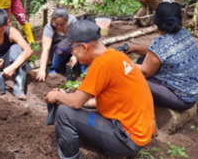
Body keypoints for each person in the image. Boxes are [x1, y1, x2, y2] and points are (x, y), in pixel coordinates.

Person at [45, 20, 155, 159]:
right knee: (74, 108)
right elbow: (100, 100)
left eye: (73, 49)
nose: (73, 53)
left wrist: (56, 95)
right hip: (138, 132)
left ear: (84, 47)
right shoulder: (116, 56)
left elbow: (76, 102)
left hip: (127, 139)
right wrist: (69, 97)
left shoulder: (101, 65)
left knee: (64, 113)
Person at [119, 1, 198, 111]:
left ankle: (125, 106)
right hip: (190, 90)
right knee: (142, 59)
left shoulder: (160, 42)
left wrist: (120, 61)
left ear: (156, 22)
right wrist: (134, 48)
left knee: (131, 76)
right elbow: (158, 53)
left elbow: (144, 71)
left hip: (182, 98)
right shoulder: (183, 32)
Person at [37, 7, 83, 82]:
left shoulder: (73, 21)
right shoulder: (49, 27)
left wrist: (75, 55)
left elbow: (78, 39)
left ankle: (81, 67)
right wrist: (42, 70)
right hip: (57, 51)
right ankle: (53, 68)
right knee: (63, 47)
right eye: (56, 24)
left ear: (67, 20)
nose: (58, 27)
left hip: (72, 48)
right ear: (52, 20)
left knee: (86, 41)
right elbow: (45, 50)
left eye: (62, 24)